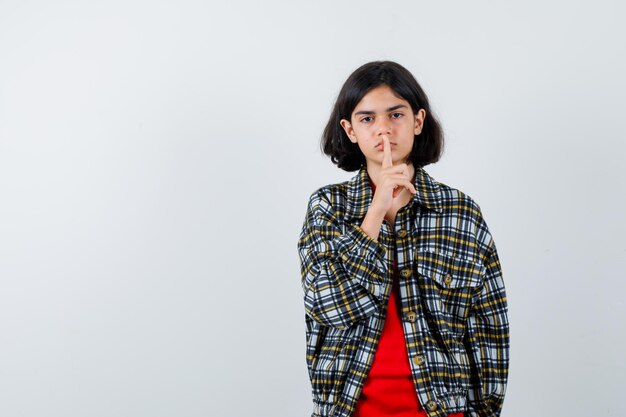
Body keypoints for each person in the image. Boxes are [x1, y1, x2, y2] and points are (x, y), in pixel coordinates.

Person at [297, 61, 510, 417]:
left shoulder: (459, 211)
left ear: (418, 121)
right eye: (367, 119)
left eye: (395, 114)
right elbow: (325, 304)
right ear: (349, 130)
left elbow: (488, 326)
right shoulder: (328, 207)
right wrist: (376, 209)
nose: (383, 129)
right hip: (350, 408)